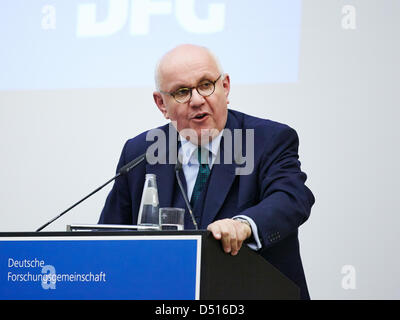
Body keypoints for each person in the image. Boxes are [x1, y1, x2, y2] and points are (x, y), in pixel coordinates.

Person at [99, 44, 315, 299]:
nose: (198, 99)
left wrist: (244, 226)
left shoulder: (268, 140)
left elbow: (292, 198)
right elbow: (108, 239)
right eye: (182, 91)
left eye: (205, 85)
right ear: (161, 104)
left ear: (225, 86)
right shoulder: (140, 152)